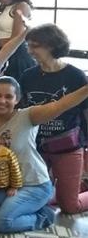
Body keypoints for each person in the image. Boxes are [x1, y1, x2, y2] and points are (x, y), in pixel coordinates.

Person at [0, 77, 88, 232]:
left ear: (17, 99)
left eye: (8, 97)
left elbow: (61, 104)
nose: (2, 101)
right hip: (5, 186)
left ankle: (43, 216)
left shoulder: (28, 116)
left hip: (34, 185)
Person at [19, 25, 88, 214]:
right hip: (35, 147)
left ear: (52, 46)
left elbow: (85, 111)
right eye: (29, 46)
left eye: (36, 46)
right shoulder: (27, 76)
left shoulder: (75, 76)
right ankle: (66, 190)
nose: (31, 51)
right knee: (37, 200)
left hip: (68, 146)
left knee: (70, 207)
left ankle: (71, 192)